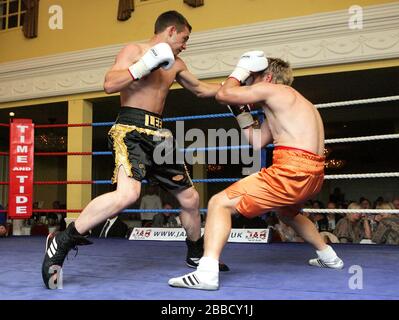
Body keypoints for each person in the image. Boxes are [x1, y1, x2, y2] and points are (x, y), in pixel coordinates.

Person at [42, 10, 228, 290]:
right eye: (185, 38)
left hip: (159, 135)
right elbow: (108, 84)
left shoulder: (177, 63)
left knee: (190, 198)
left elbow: (201, 89)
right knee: (128, 194)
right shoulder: (134, 50)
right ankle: (63, 240)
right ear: (171, 31)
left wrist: (235, 85)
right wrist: (143, 66)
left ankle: (195, 253)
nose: (186, 44)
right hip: (130, 128)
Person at [169, 52, 344, 290]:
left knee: (220, 203)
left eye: (252, 79)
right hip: (313, 174)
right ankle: (329, 257)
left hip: (292, 170)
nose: (247, 85)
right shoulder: (294, 102)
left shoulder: (275, 91)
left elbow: (224, 93)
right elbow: (257, 141)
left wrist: (240, 70)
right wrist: (240, 112)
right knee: (287, 213)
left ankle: (206, 273)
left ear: (268, 77)